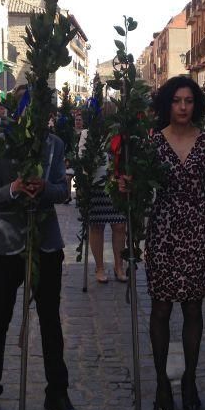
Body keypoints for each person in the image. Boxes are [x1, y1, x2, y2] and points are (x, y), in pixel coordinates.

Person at [120, 76, 205, 410]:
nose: (183, 107)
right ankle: (162, 383)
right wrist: (125, 185)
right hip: (163, 232)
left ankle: (190, 381)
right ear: (167, 104)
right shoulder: (152, 144)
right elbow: (137, 189)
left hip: (197, 232)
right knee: (161, 310)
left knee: (194, 310)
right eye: (177, 101)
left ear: (195, 104)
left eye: (189, 101)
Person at [0, 87, 81, 410]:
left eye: (44, 109)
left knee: (50, 320)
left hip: (46, 244)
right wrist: (15, 189)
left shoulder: (56, 144)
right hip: (7, 247)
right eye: (30, 108)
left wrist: (44, 189)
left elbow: (64, 190)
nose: (37, 115)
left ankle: (57, 393)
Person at [78, 101, 127, 283]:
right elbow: (83, 159)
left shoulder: (120, 135)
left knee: (120, 226)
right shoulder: (88, 135)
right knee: (97, 226)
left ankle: (119, 266)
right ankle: (99, 267)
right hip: (96, 185)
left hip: (116, 185)